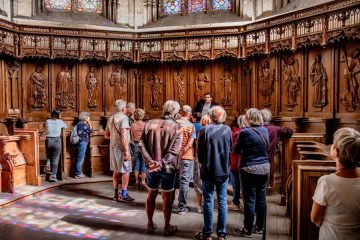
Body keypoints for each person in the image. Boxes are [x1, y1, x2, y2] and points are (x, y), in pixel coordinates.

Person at [139, 100, 183, 236]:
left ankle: (150, 224)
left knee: (151, 195)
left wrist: (151, 161)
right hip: (168, 168)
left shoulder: (149, 123)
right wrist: (161, 163)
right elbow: (175, 151)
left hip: (152, 167)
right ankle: (167, 226)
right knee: (167, 197)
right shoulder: (177, 126)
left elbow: (141, 144)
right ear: (175, 112)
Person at [311, 127, 360, 240]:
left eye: (333, 144)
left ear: (336, 151)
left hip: (332, 235)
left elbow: (315, 218)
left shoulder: (327, 182)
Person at [195, 106, 232, 240]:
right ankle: (222, 233)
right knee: (222, 201)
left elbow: (199, 154)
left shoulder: (205, 130)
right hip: (223, 169)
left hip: (208, 170)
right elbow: (231, 148)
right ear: (222, 116)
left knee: (209, 201)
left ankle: (207, 233)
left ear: (211, 116)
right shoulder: (227, 130)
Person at [233, 108, 269, 237]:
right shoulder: (265, 130)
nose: (246, 119)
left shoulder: (245, 132)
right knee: (261, 198)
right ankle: (260, 227)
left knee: (249, 200)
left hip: (249, 168)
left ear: (250, 119)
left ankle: (247, 229)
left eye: (247, 117)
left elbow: (236, 150)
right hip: (264, 167)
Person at [105, 99, 134, 202]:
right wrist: (126, 151)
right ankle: (124, 194)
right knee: (126, 171)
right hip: (122, 148)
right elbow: (123, 136)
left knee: (116, 171)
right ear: (123, 108)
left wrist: (114, 138)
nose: (126, 109)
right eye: (125, 107)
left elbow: (106, 135)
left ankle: (116, 194)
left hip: (113, 147)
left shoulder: (111, 118)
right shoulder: (124, 118)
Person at [260, 109, 293, 188]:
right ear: (270, 118)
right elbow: (289, 131)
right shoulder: (274, 128)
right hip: (268, 158)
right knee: (263, 186)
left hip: (254, 159)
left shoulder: (255, 129)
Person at [176, 105, 196, 215]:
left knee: (174, 180)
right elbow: (190, 144)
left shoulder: (174, 124)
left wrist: (176, 154)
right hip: (187, 156)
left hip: (173, 157)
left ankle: (168, 203)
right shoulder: (191, 126)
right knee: (184, 182)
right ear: (189, 113)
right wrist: (182, 153)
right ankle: (181, 207)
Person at [228, 115, 247, 211]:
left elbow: (232, 148)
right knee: (244, 183)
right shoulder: (248, 132)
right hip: (245, 161)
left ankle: (236, 202)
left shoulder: (235, 133)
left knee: (236, 182)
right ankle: (243, 203)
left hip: (235, 160)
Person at [45, 109, 67, 182]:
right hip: (56, 141)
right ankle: (53, 176)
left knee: (48, 154)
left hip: (48, 140)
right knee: (55, 158)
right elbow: (65, 126)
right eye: (60, 114)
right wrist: (60, 120)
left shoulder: (47, 121)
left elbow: (46, 127)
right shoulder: (60, 122)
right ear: (58, 115)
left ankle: (48, 163)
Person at [130, 108, 147, 190]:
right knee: (144, 163)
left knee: (137, 162)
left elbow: (132, 137)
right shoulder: (145, 124)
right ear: (142, 116)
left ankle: (136, 181)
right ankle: (143, 182)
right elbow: (147, 136)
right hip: (144, 144)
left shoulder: (132, 125)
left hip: (136, 144)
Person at [74, 112, 93, 179]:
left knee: (80, 158)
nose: (89, 118)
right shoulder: (83, 125)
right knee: (80, 158)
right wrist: (89, 123)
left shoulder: (80, 124)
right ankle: (78, 174)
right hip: (82, 143)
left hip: (81, 142)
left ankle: (78, 173)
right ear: (85, 118)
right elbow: (91, 130)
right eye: (88, 117)